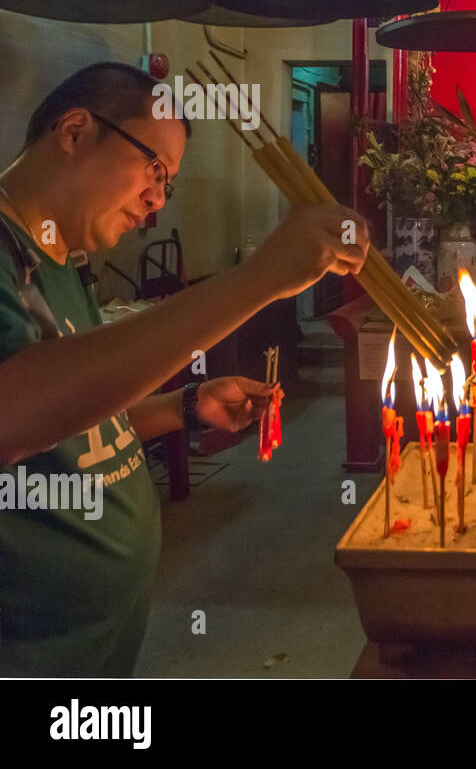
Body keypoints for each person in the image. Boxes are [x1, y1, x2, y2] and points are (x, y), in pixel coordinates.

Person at [0, 62, 369, 676]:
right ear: (74, 131)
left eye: (167, 184)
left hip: (95, 649)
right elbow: (12, 415)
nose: (156, 199)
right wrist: (259, 279)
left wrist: (184, 407)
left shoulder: (62, 257)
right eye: (154, 169)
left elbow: (67, 426)